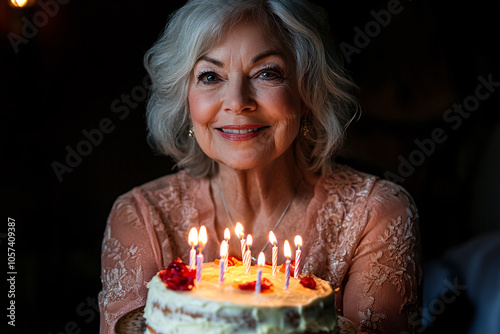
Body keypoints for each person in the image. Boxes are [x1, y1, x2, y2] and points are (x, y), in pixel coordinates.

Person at [98, 0, 422, 333]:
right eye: (210, 76)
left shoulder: (375, 213)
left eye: (267, 73)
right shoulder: (140, 217)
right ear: (186, 102)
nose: (238, 102)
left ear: (306, 94)